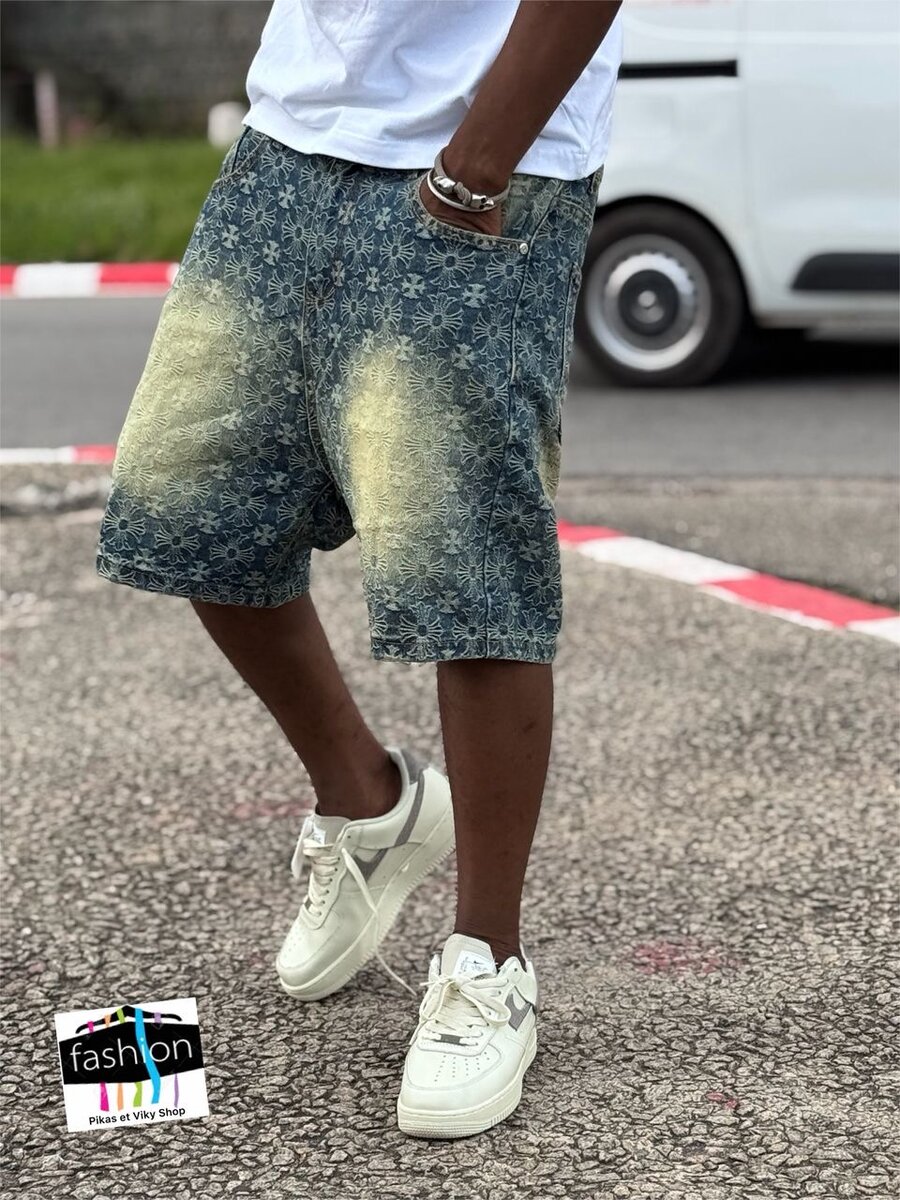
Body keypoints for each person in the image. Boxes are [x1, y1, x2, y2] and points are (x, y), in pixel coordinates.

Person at [95, 0, 623, 1138]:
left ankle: (488, 963)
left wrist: (475, 171)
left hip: (484, 164)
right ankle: (370, 803)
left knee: (466, 573)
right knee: (191, 513)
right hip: (290, 138)